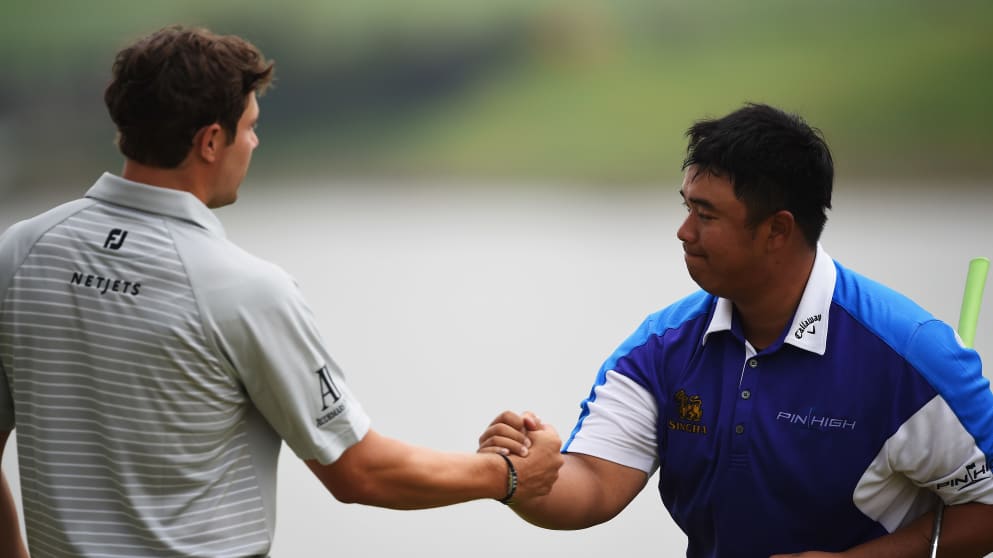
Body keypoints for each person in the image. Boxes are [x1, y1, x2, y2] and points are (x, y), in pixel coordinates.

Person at [0, 25, 562, 557]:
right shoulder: (244, 288)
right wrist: (507, 475)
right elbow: (358, 471)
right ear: (211, 141)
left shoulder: (20, 252)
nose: (256, 142)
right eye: (249, 126)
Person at [478, 103, 993, 557]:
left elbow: (986, 509)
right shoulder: (663, 346)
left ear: (777, 230)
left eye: (706, 215)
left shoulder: (910, 355)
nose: (683, 232)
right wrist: (527, 477)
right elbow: (593, 483)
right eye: (687, 207)